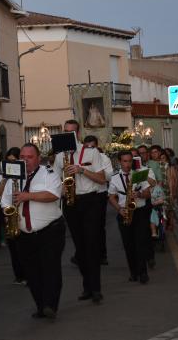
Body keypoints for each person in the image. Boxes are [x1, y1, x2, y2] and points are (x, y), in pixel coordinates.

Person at [0, 143, 65, 320]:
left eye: (29, 157)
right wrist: (9, 210)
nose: (25, 161)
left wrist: (28, 196)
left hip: (50, 231)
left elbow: (54, 194)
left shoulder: (49, 173)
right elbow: (5, 201)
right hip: (24, 234)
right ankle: (41, 306)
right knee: (32, 272)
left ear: (38, 159)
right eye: (23, 157)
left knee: (50, 268)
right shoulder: (13, 176)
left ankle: (50, 304)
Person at [53, 120, 111, 304]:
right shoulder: (58, 156)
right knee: (80, 247)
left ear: (77, 134)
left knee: (91, 245)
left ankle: (96, 289)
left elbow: (102, 179)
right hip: (71, 202)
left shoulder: (91, 152)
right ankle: (87, 286)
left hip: (90, 201)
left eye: (71, 132)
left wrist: (81, 170)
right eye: (65, 131)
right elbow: (55, 181)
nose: (67, 134)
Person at [108, 150, 152, 284]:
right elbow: (111, 196)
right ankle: (133, 272)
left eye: (130, 161)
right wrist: (119, 209)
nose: (128, 164)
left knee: (140, 243)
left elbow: (148, 193)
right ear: (120, 162)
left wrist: (138, 195)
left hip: (139, 212)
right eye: (125, 161)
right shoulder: (115, 177)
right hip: (124, 213)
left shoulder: (139, 174)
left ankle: (143, 273)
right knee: (128, 245)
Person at [0, 147, 26, 285]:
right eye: (9, 161)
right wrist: (5, 180)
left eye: (14, 161)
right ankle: (19, 275)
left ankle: (28, 273)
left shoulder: (25, 174)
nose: (11, 164)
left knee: (24, 246)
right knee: (13, 247)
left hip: (24, 214)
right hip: (8, 212)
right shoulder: (2, 176)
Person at [83, 134, 112, 265]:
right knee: (84, 227)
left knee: (99, 226)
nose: (90, 150)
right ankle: (85, 254)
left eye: (93, 147)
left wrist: (89, 173)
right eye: (87, 147)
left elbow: (108, 176)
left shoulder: (103, 158)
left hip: (99, 194)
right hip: (85, 195)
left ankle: (102, 255)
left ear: (97, 147)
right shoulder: (80, 157)